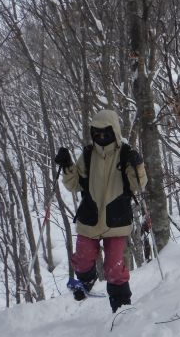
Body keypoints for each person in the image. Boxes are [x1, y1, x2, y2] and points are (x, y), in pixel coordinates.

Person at [54, 108, 147, 313]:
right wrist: (68, 165)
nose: (101, 137)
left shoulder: (124, 153)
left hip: (117, 219)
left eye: (106, 133)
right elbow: (74, 185)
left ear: (114, 131)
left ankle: (121, 307)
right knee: (82, 258)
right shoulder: (87, 155)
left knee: (114, 266)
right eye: (97, 133)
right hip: (90, 217)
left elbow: (139, 185)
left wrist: (138, 165)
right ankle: (86, 281)